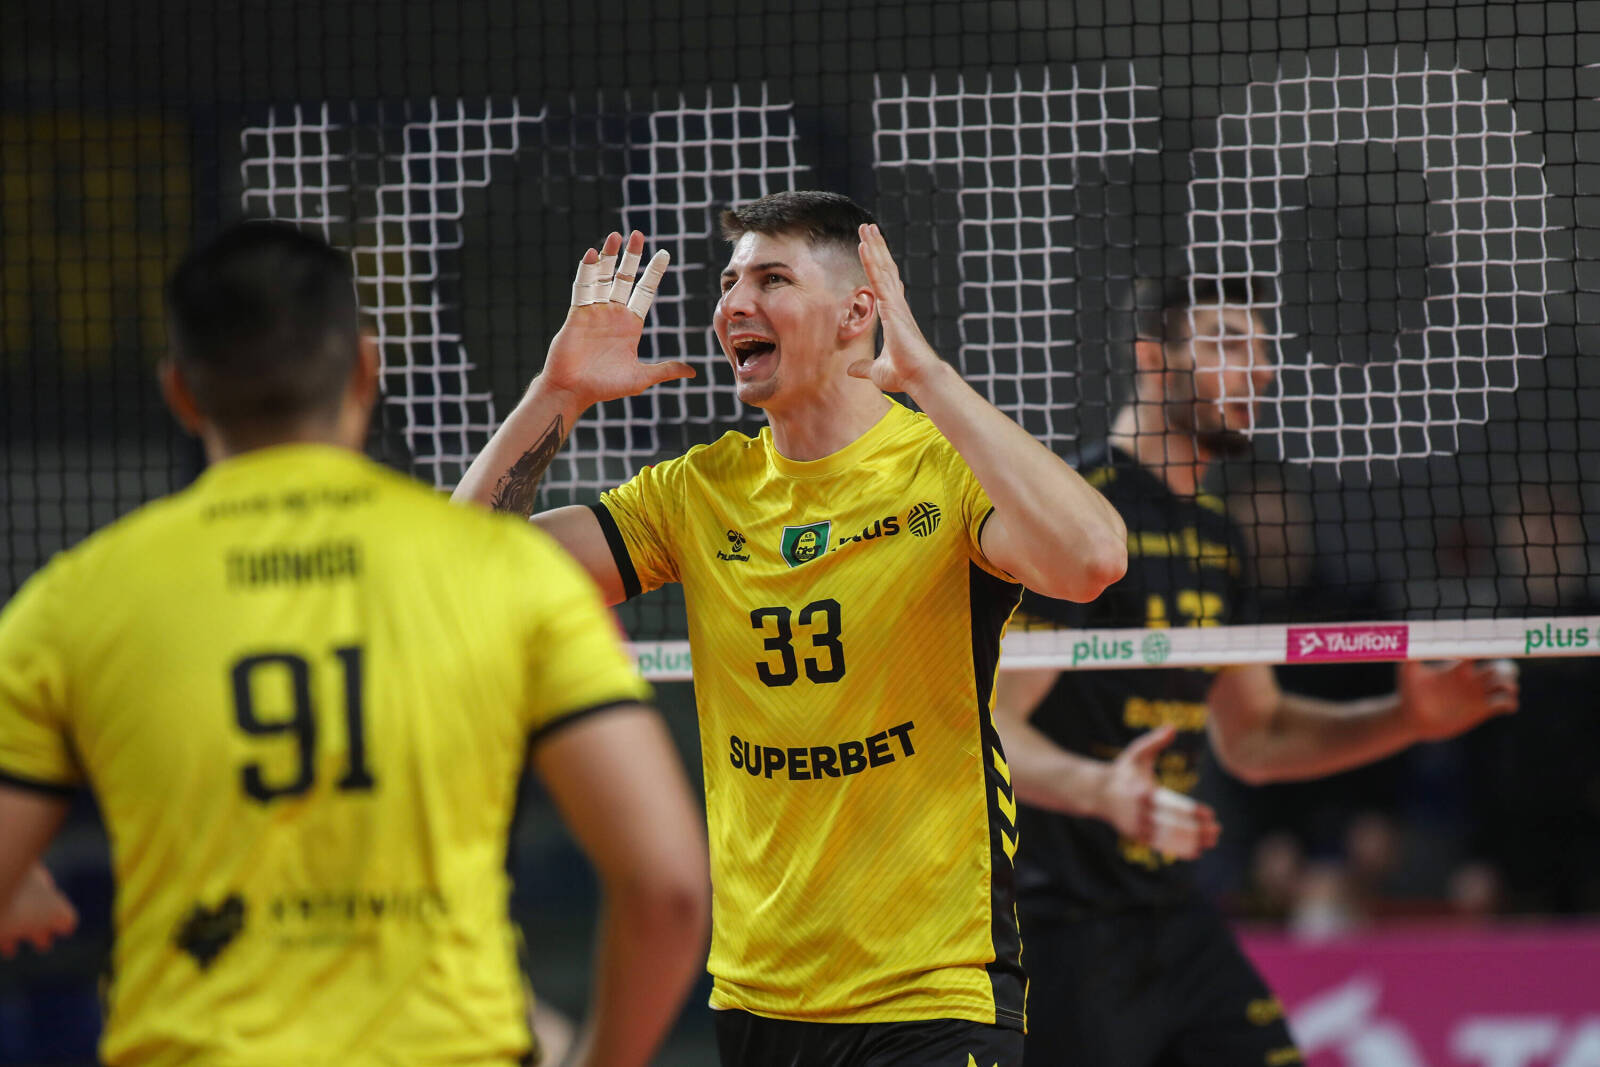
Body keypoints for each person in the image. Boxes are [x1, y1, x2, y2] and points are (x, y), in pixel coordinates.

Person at [0, 221, 710, 1067]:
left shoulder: (75, 602)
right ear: (366, 371)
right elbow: (669, 887)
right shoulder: (504, 578)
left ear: (182, 392)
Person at [454, 190, 1129, 1066]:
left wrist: (929, 376)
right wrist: (559, 392)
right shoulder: (698, 491)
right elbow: (466, 573)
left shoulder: (944, 470)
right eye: (729, 283)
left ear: (858, 312)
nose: (735, 304)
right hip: (758, 995)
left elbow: (1092, 560)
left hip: (931, 992)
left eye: (772, 279)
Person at [994, 275, 1519, 1067]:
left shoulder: (1219, 536)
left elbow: (1257, 737)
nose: (1261, 369)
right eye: (1227, 342)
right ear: (1153, 360)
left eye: (1263, 349)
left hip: (1176, 913)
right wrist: (1100, 789)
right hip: (1060, 924)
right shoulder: (1079, 521)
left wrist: (1408, 719)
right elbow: (991, 725)